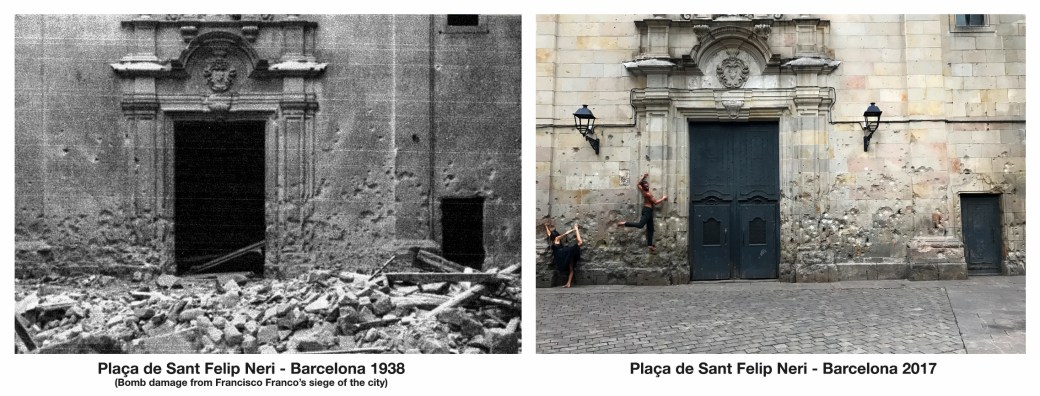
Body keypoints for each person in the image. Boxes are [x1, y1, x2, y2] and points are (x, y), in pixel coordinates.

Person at [617, 170, 667, 252]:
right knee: (640, 225)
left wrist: (644, 176)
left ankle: (650, 245)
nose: (647, 187)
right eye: (646, 186)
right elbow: (655, 202)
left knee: (651, 229)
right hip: (647, 211)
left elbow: (638, 184)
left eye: (647, 185)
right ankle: (624, 223)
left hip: (648, 211)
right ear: (644, 187)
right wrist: (663, 198)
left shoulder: (643, 190)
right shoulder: (648, 194)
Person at [544, 222, 583, 288]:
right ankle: (576, 229)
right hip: (564, 254)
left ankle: (568, 283)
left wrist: (546, 226)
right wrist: (574, 229)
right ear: (556, 236)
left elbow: (548, 232)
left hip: (560, 257)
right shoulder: (557, 238)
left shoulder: (551, 239)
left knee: (571, 269)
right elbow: (566, 233)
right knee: (580, 243)